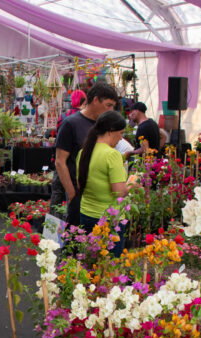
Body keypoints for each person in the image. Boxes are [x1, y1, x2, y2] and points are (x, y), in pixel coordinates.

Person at [51, 82, 118, 226]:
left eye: (113, 106)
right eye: (108, 105)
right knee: (76, 233)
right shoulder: (71, 124)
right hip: (78, 193)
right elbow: (60, 161)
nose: (111, 110)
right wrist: (72, 193)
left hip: (99, 197)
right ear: (95, 100)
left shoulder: (103, 126)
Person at [76, 110, 140, 256]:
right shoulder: (112, 155)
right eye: (120, 133)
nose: (121, 138)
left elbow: (80, 185)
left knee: (91, 261)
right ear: (111, 131)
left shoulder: (84, 152)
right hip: (109, 219)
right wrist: (133, 184)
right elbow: (119, 191)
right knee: (110, 264)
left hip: (86, 213)